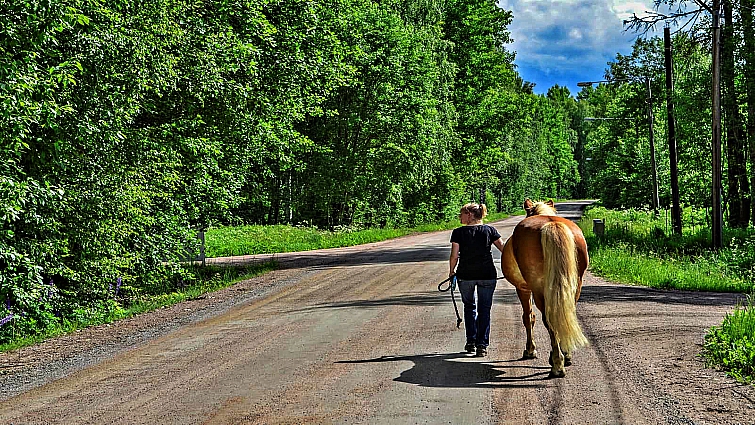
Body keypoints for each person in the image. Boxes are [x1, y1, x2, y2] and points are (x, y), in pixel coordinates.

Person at [449, 203, 504, 357]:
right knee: (484, 309)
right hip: (487, 275)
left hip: (465, 276)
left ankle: (471, 341)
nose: (460, 217)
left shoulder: (458, 233)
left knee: (469, 307)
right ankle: (482, 345)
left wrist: (451, 271)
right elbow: (504, 249)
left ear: (470, 215)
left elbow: (454, 255)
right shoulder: (490, 230)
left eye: (462, 213)